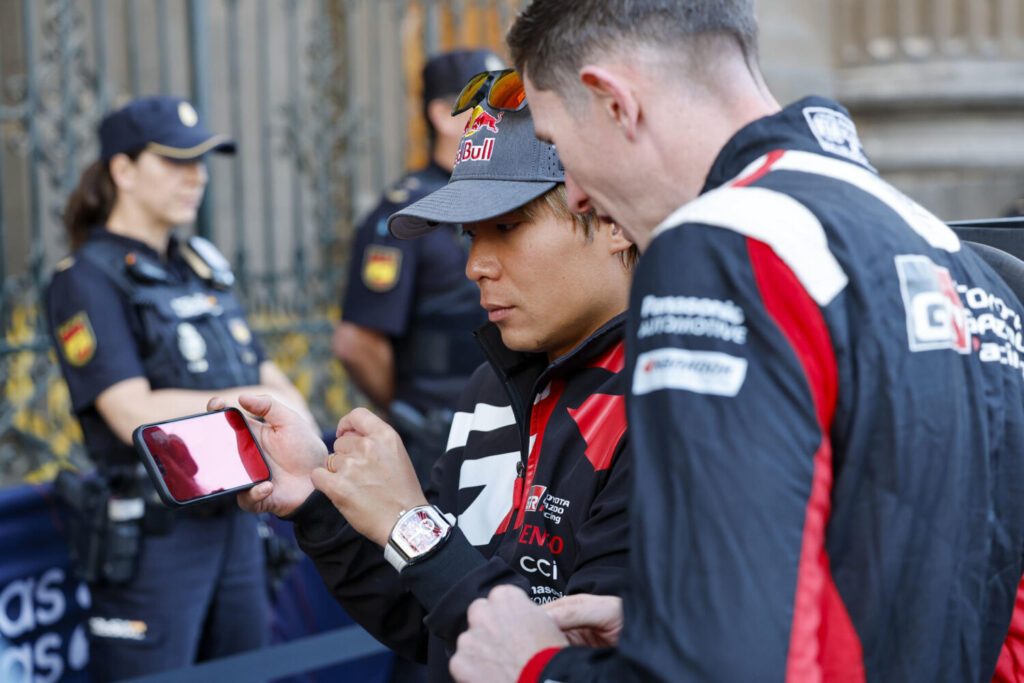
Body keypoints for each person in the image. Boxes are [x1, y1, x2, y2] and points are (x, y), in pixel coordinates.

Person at [448, 2, 1024, 682]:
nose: (575, 195)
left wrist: (535, 666)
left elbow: (718, 669)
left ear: (613, 101)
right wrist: (659, 622)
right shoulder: (949, 253)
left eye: (559, 145)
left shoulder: (721, 249)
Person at [225, 89, 639, 683]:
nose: (477, 265)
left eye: (507, 227)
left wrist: (409, 522)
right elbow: (428, 620)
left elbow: (571, 662)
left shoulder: (671, 400)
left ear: (611, 219)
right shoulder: (494, 386)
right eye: (472, 236)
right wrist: (318, 501)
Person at [47, 95, 316, 681]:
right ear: (123, 170)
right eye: (175, 161)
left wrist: (275, 405)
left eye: (202, 162)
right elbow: (131, 411)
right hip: (155, 538)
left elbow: (277, 383)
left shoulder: (201, 267)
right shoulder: (86, 279)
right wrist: (259, 406)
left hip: (237, 521)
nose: (196, 176)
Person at [333, 48, 504, 485]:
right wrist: (414, 411)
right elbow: (357, 342)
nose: (505, 119)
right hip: (437, 437)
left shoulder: (506, 198)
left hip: (504, 426)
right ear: (444, 116)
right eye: (490, 106)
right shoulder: (407, 211)